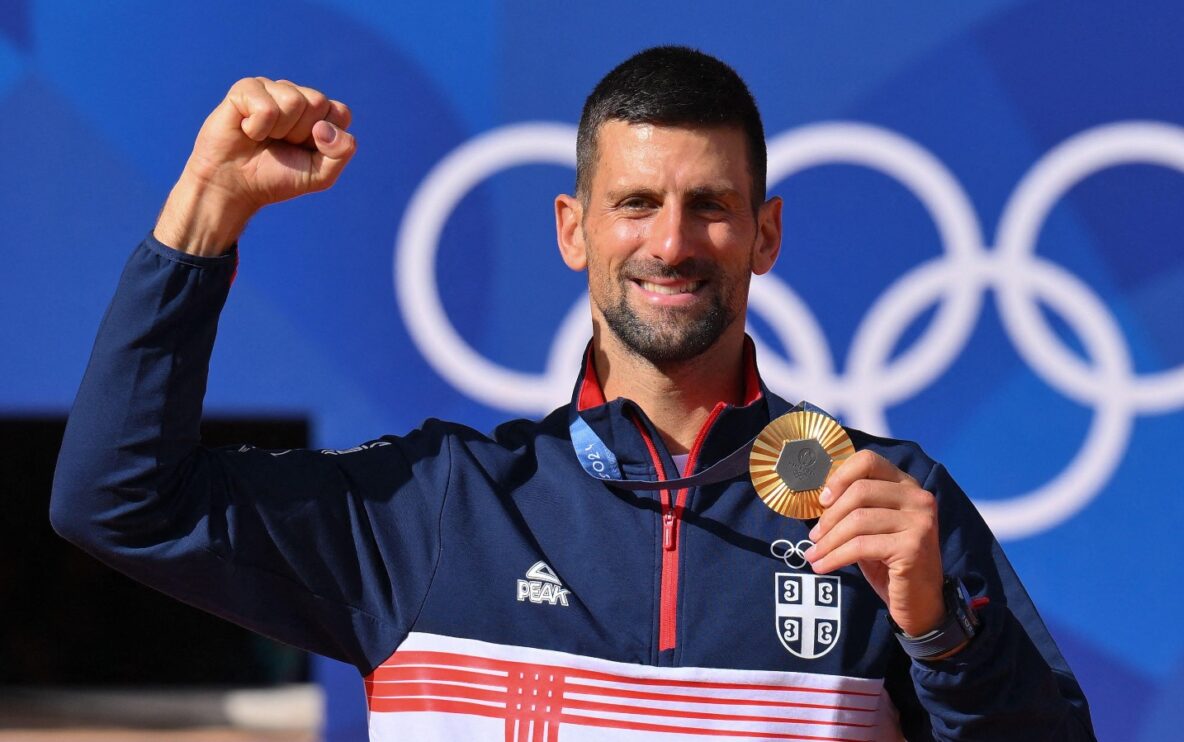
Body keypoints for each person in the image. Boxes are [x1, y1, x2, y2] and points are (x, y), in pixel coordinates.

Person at [52, 47, 1095, 740]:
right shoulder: (437, 506)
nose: (673, 242)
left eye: (711, 207)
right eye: (635, 203)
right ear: (572, 229)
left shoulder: (884, 506)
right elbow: (116, 499)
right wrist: (205, 210)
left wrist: (942, 637)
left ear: (766, 234)